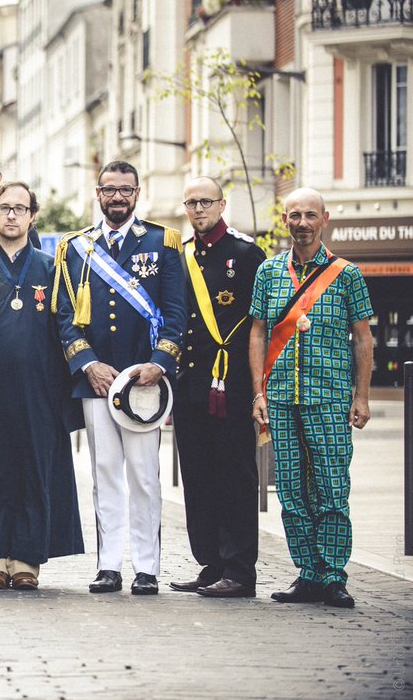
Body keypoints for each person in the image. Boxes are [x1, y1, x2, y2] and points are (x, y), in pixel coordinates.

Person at [53, 161, 185, 596]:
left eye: (125, 190)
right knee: (105, 473)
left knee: (144, 477)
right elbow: (65, 315)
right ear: (98, 193)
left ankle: (146, 568)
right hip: (97, 380)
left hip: (144, 381)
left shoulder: (162, 242)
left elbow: (176, 312)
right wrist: (87, 363)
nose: (117, 197)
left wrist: (159, 363)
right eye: (109, 190)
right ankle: (108, 565)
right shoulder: (76, 247)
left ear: (137, 193)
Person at [249, 188, 374, 610]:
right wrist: (258, 392)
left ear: (324, 219)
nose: (302, 223)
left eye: (310, 215)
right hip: (281, 398)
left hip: (330, 398)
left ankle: (334, 575)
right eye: (295, 215)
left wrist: (361, 397)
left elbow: (362, 337)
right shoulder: (268, 272)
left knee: (333, 488)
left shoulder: (347, 274)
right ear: (285, 219)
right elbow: (258, 333)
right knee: (290, 490)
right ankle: (308, 573)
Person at [0, 181, 83, 591]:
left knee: (33, 468)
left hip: (39, 388)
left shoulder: (52, 267)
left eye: (20, 208)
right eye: (4, 208)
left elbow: (67, 325)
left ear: (32, 215)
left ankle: (27, 558)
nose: (12, 215)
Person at [171, 176, 265, 599]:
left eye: (206, 202)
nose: (198, 209)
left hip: (232, 384)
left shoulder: (246, 254)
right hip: (191, 384)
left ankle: (240, 571)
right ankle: (211, 563)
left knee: (235, 476)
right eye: (191, 202)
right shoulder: (182, 255)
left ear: (222, 204)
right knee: (198, 477)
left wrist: (258, 387)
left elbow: (260, 324)